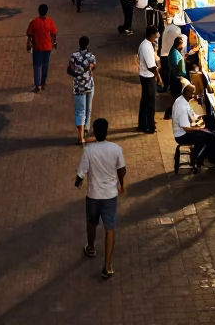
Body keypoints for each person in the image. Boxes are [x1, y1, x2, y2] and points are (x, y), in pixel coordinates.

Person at [75, 117, 125, 280]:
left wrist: (78, 182)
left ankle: (90, 247)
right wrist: (121, 184)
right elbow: (122, 169)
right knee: (110, 229)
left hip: (94, 195)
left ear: (95, 132)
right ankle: (107, 266)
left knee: (92, 222)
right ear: (107, 131)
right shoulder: (116, 149)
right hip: (110, 195)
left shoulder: (89, 150)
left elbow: (81, 173)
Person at [171, 83, 215, 171]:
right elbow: (186, 128)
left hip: (188, 127)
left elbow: (191, 114)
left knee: (210, 119)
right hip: (182, 135)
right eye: (193, 92)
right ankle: (201, 159)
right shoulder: (181, 107)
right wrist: (201, 129)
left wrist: (200, 117)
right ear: (188, 93)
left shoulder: (184, 100)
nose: (195, 94)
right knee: (210, 137)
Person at [68, 36, 97, 144]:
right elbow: (93, 67)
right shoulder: (91, 56)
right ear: (87, 45)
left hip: (78, 86)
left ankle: (80, 137)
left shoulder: (74, 56)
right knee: (88, 108)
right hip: (89, 85)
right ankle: (86, 129)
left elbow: (71, 68)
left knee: (80, 111)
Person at [26, 4, 57, 92]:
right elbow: (54, 33)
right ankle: (43, 82)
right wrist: (54, 43)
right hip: (47, 47)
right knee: (45, 65)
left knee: (37, 66)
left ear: (38, 11)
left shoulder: (34, 22)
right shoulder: (50, 21)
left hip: (37, 47)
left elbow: (29, 33)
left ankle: (37, 85)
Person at [137, 25, 161, 133]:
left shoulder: (148, 44)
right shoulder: (146, 46)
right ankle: (150, 126)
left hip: (146, 76)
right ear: (152, 34)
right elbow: (151, 66)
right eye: (156, 33)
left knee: (145, 101)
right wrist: (159, 77)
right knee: (150, 102)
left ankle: (143, 123)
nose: (157, 35)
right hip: (147, 77)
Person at [160, 17, 183, 89]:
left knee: (165, 71)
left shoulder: (168, 27)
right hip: (171, 54)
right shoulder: (177, 30)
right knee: (171, 71)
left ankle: (164, 86)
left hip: (164, 52)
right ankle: (170, 87)